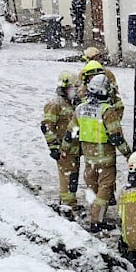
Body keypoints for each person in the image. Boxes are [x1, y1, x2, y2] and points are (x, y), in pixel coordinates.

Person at [75, 72, 130, 228]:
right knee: (104, 189)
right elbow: (116, 137)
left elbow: (71, 133)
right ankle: (96, 221)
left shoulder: (80, 109)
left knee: (92, 187)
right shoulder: (107, 110)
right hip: (105, 160)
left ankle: (94, 213)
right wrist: (128, 154)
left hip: (89, 160)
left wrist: (65, 151)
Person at [41, 71, 81, 210]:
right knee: (67, 178)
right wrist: (54, 147)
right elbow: (47, 126)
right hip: (63, 150)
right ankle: (67, 205)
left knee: (73, 178)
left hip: (74, 149)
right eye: (73, 88)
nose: (75, 91)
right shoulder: (55, 104)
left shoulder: (72, 103)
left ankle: (71, 203)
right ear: (65, 88)